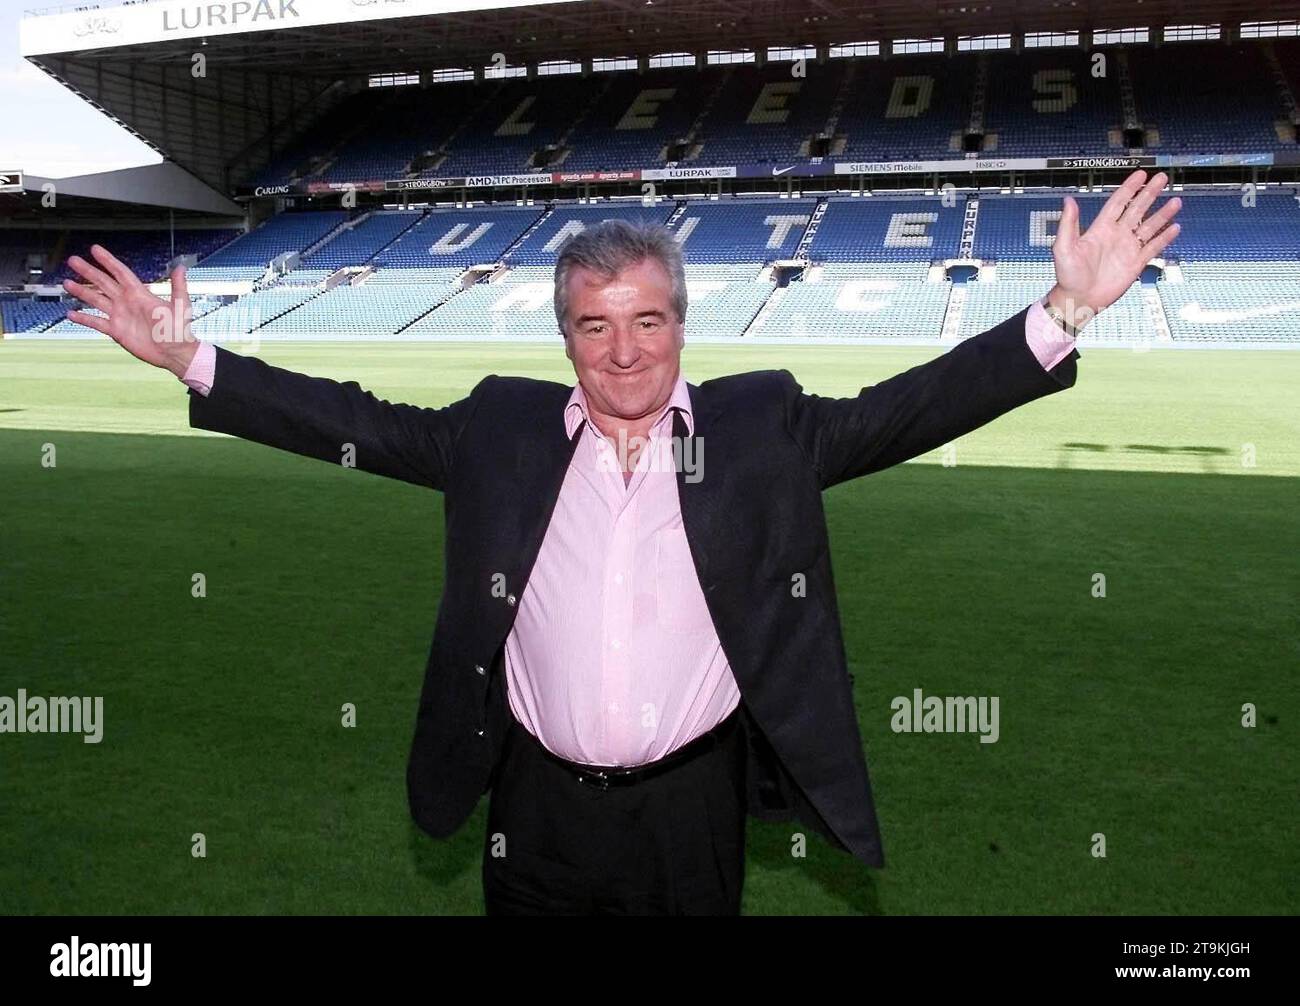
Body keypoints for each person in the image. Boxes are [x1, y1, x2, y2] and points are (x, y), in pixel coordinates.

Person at [63, 169, 1182, 915]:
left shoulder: (761, 430)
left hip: (689, 814)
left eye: (648, 320)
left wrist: (1063, 311)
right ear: (566, 338)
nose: (625, 351)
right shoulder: (500, 431)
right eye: (595, 326)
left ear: (682, 324)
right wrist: (191, 360)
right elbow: (350, 422)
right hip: (533, 808)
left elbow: (912, 406)